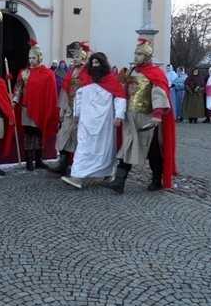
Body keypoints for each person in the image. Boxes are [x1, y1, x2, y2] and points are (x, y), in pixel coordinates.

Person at [103, 38, 176, 193]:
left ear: (147, 57)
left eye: (139, 54)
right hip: (131, 117)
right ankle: (119, 182)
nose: (136, 56)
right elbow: (123, 92)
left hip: (148, 119)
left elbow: (159, 93)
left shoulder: (156, 74)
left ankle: (156, 179)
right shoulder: (132, 72)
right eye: (135, 53)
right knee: (127, 148)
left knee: (153, 151)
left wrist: (157, 114)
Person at [61, 52, 126, 189]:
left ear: (103, 64)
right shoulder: (88, 79)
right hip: (86, 120)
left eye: (97, 63)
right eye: (93, 63)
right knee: (84, 146)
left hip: (105, 122)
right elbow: (79, 96)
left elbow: (120, 98)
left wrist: (118, 116)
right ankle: (77, 176)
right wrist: (77, 114)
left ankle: (108, 172)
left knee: (105, 148)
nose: (95, 66)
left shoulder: (111, 81)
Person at [12, 40, 59, 171]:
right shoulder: (24, 73)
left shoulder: (48, 74)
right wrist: (15, 99)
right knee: (28, 135)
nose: (31, 60)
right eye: (30, 58)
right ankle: (28, 161)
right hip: (27, 109)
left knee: (39, 135)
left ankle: (38, 160)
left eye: (34, 57)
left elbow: (51, 93)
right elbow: (18, 88)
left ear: (39, 58)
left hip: (41, 108)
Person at [49, 42, 91, 175]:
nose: (75, 59)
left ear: (83, 58)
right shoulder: (71, 72)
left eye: (78, 57)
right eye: (74, 57)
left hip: (82, 112)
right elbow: (65, 91)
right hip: (70, 110)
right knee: (64, 135)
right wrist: (63, 109)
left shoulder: (88, 73)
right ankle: (63, 162)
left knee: (78, 138)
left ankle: (78, 166)